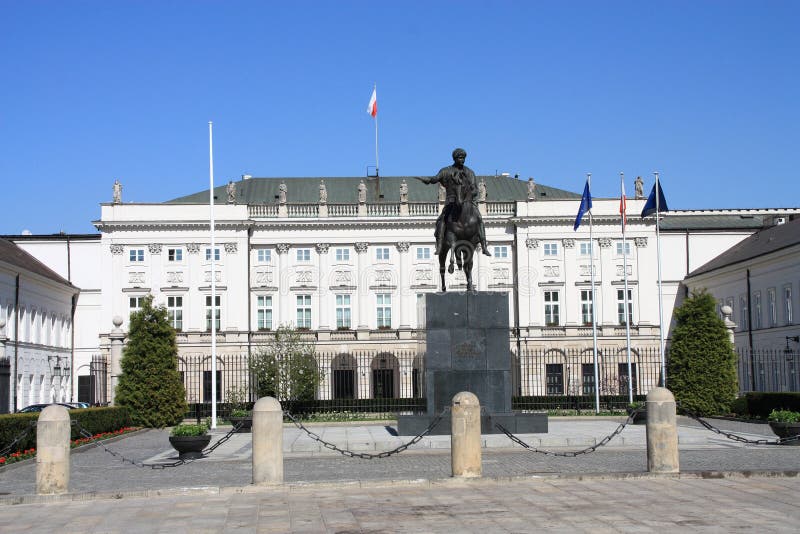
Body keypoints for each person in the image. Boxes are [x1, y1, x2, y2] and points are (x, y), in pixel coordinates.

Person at [416, 148, 491, 256]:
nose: (462, 160)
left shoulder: (469, 172)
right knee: (441, 220)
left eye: (463, 158)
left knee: (479, 218)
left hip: (467, 202)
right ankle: (440, 245)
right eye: (460, 158)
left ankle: (484, 246)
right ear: (455, 158)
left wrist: (471, 193)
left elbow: (474, 189)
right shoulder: (446, 171)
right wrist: (428, 180)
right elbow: (435, 178)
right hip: (451, 202)